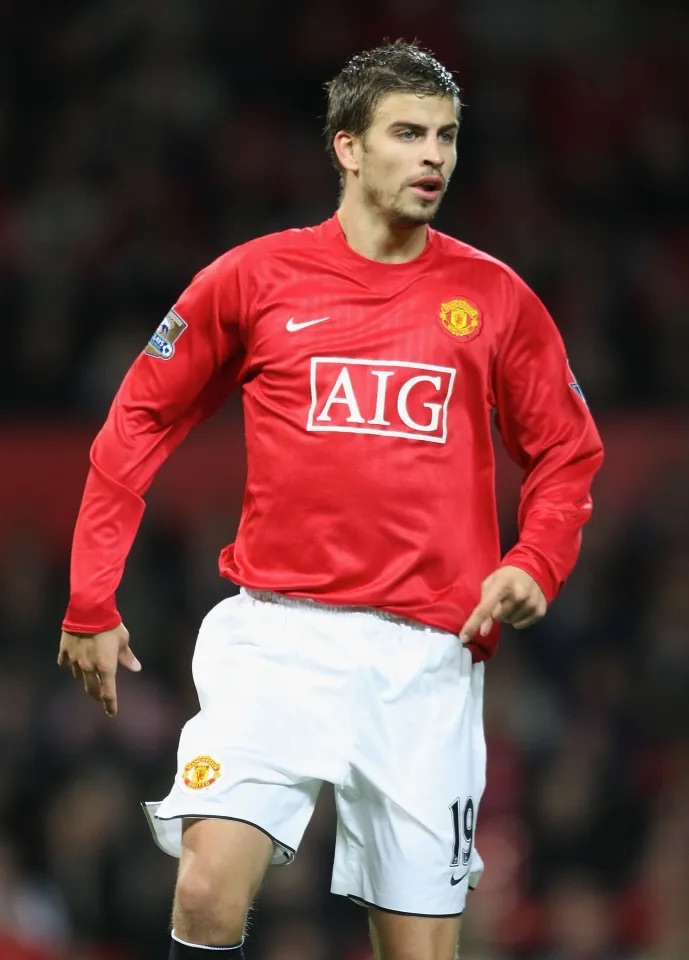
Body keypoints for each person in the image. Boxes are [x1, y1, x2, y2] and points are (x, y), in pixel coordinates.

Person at [57, 40, 604, 960]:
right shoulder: (254, 277)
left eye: (446, 136)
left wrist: (535, 560)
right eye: (407, 133)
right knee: (205, 886)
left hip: (427, 663)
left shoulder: (495, 297)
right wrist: (89, 595)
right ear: (347, 147)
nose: (433, 156)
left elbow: (567, 450)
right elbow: (139, 417)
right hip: (279, 638)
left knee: (419, 951)